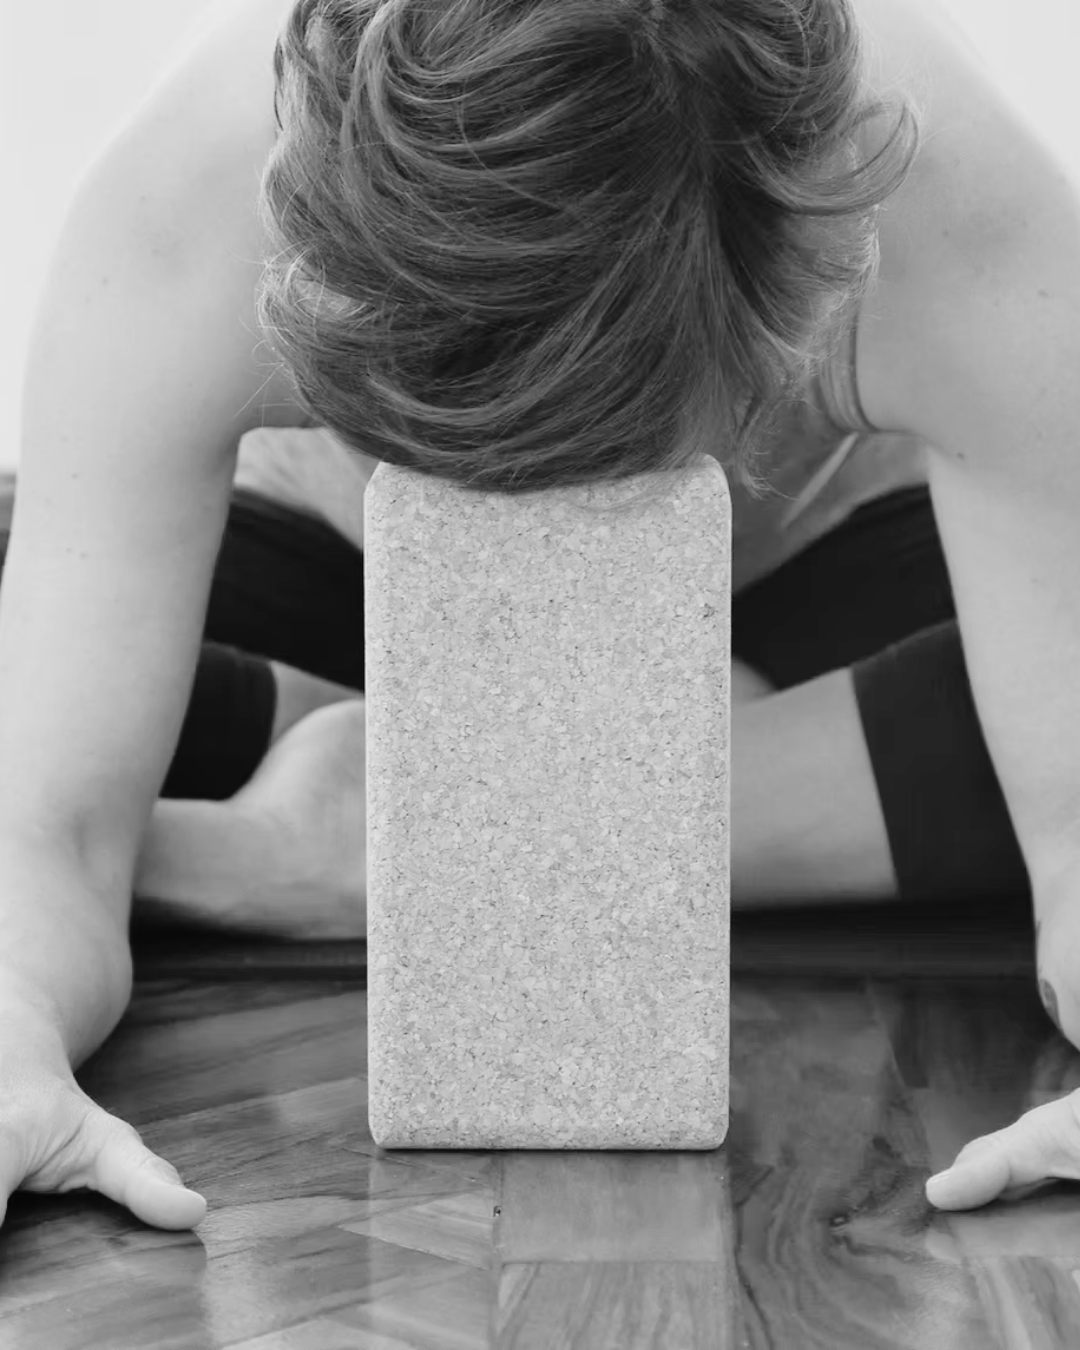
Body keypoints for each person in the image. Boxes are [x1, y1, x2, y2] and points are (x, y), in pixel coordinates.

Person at [3, 0, 1080, 1234]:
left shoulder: (946, 203)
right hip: (352, 587)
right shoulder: (192, 194)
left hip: (802, 578)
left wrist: (431, 844)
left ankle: (363, 825)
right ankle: (544, 790)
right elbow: (40, 827)